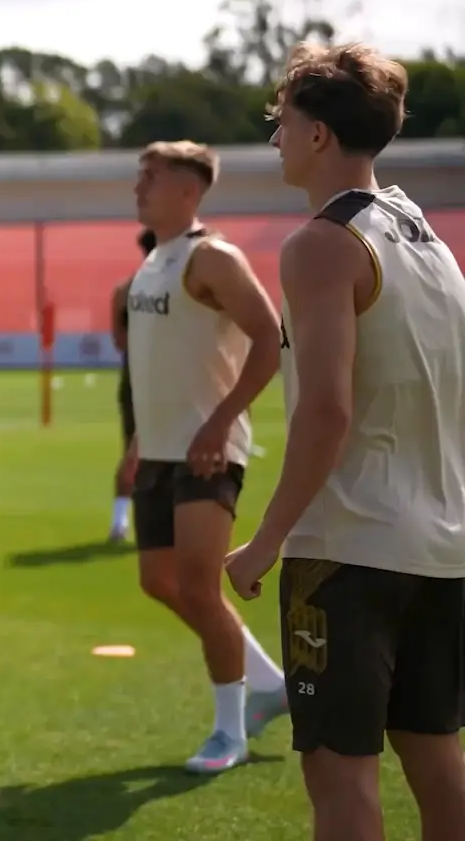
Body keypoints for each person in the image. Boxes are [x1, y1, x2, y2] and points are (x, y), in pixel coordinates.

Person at [226, 43, 465, 841]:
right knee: (438, 764)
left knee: (341, 783)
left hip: (350, 551)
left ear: (319, 134)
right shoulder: (429, 241)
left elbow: (325, 410)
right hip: (443, 548)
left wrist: (266, 541)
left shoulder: (322, 245)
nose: (275, 140)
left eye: (283, 122)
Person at [122, 139, 290, 774]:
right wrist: (138, 441)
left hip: (207, 453)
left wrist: (220, 423)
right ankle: (269, 684)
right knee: (159, 582)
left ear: (189, 190)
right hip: (161, 451)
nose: (138, 188)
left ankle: (229, 732)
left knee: (198, 584)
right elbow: (158, 363)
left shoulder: (211, 257)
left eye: (151, 177)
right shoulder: (154, 260)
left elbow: (270, 339)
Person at [106, 229, 157, 543]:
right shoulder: (177, 287)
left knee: (132, 451)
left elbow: (118, 339)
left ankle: (121, 522)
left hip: (135, 376)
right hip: (156, 377)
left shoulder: (124, 289)